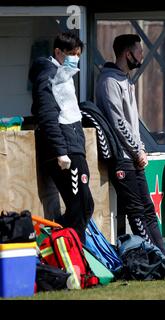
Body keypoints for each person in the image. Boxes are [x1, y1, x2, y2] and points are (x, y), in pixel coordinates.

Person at [95, 34, 165, 256]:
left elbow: (133, 124)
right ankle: (152, 257)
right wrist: (137, 150)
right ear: (127, 54)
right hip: (122, 158)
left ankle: (163, 257)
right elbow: (118, 121)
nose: (142, 55)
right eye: (139, 51)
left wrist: (141, 149)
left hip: (135, 156)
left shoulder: (126, 80)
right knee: (135, 211)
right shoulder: (109, 81)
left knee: (148, 210)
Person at [29, 32, 94, 243]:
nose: (75, 59)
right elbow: (47, 114)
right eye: (71, 54)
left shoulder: (63, 74)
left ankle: (62, 244)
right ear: (58, 52)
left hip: (74, 145)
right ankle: (73, 259)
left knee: (86, 205)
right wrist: (60, 151)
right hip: (64, 149)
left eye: (78, 54)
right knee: (79, 205)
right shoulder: (48, 74)